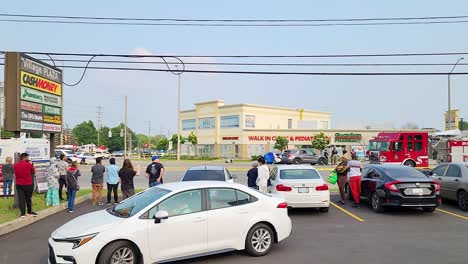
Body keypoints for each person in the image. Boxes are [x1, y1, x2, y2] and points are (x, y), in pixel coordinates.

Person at [14, 153, 37, 217]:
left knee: (21, 199)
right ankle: (29, 211)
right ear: (24, 157)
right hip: (28, 184)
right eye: (27, 157)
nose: (28, 158)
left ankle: (22, 213)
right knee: (28, 198)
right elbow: (33, 171)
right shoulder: (29, 164)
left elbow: (15, 173)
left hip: (19, 184)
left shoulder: (16, 165)